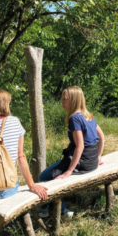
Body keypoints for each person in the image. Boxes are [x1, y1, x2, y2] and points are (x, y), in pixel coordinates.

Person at [38, 86, 105, 220]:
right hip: (92, 161)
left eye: (65, 99)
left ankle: (54, 211)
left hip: (82, 161)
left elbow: (79, 146)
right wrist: (98, 156)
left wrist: (69, 170)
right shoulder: (88, 115)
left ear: (74, 100)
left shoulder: (74, 119)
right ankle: (47, 208)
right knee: (51, 173)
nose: (62, 102)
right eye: (62, 99)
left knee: (44, 177)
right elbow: (102, 137)